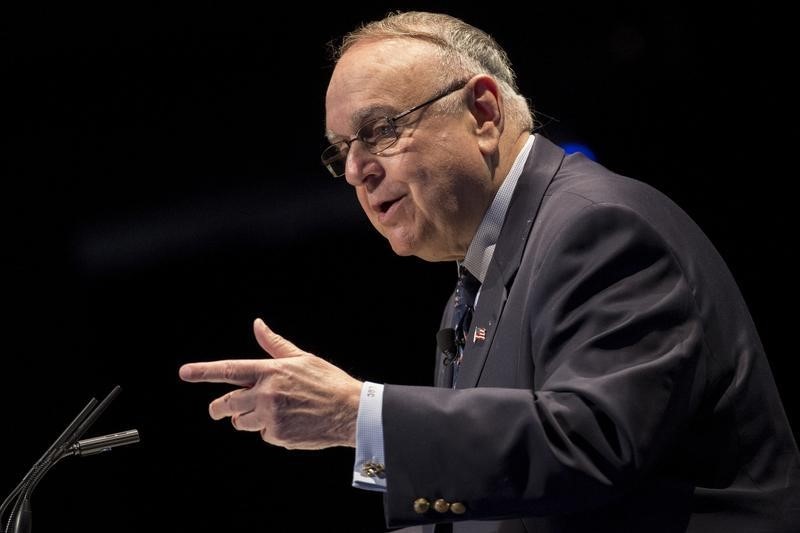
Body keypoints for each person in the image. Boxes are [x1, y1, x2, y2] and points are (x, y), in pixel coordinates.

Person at [179, 11, 800, 532]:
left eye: (379, 131)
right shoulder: (473, 287)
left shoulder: (599, 228)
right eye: (342, 150)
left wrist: (358, 416)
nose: (355, 170)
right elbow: (502, 488)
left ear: (482, 112)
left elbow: (593, 444)